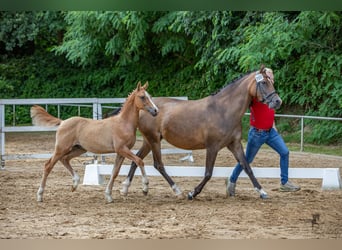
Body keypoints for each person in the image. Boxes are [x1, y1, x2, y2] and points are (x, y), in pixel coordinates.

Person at [227, 96, 301, 196]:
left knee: (285, 152)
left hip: (270, 132)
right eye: (270, 79)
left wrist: (274, 127)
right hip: (257, 134)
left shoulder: (271, 94)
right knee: (247, 160)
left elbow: (272, 110)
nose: (272, 80)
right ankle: (232, 180)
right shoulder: (255, 96)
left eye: (273, 79)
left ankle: (284, 183)